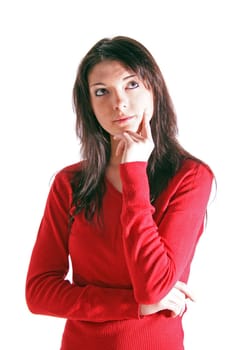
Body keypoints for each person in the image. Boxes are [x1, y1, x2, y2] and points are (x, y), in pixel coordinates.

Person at [25, 36, 214, 350]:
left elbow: (153, 287)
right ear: (89, 105)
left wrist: (134, 171)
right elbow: (39, 293)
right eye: (102, 91)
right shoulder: (70, 183)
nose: (119, 102)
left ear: (154, 89)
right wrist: (133, 307)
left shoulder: (190, 177)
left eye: (132, 85)